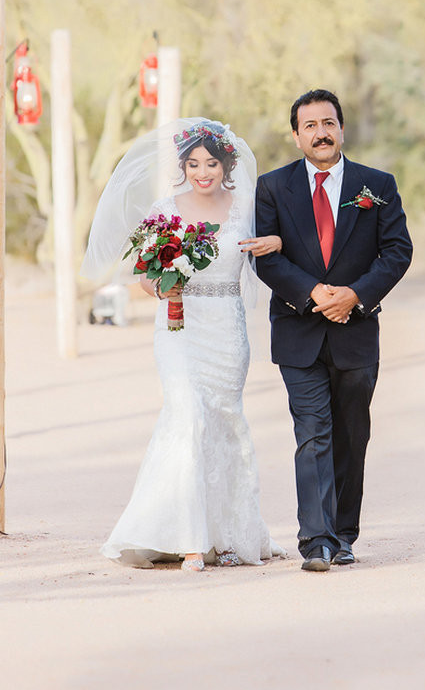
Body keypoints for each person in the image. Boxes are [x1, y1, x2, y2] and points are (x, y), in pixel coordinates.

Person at [82, 118, 285, 572]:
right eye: (193, 164)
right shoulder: (165, 208)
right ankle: (188, 539)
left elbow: (281, 247)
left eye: (211, 162)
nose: (202, 172)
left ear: (226, 163)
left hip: (227, 331)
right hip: (178, 330)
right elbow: (141, 275)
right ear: (184, 167)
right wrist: (159, 287)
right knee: (187, 415)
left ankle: (229, 535)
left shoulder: (248, 207)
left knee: (224, 421)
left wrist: (274, 240)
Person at [254, 89, 413, 571]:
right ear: (297, 134)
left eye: (329, 123)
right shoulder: (272, 188)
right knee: (312, 434)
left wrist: (355, 296)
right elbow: (266, 258)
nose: (320, 133)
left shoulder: (376, 184)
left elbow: (397, 251)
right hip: (297, 331)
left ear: (342, 129)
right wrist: (314, 292)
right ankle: (316, 541)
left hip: (356, 332)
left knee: (351, 435)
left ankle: (344, 534)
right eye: (310, 125)